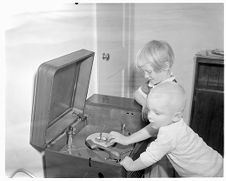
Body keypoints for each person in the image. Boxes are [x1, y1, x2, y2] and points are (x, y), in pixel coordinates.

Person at [108, 82, 223, 177]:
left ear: (176, 116)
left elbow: (150, 157)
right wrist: (126, 140)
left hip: (207, 175)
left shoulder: (168, 135)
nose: (150, 116)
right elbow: (151, 129)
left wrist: (131, 165)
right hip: (215, 163)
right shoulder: (173, 123)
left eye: (157, 113)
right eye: (149, 109)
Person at [107, 40, 178, 177]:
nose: (146, 76)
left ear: (165, 66)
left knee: (159, 173)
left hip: (163, 145)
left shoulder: (171, 92)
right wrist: (147, 103)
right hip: (153, 137)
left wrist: (127, 141)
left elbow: (156, 130)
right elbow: (137, 94)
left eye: (148, 71)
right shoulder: (154, 82)